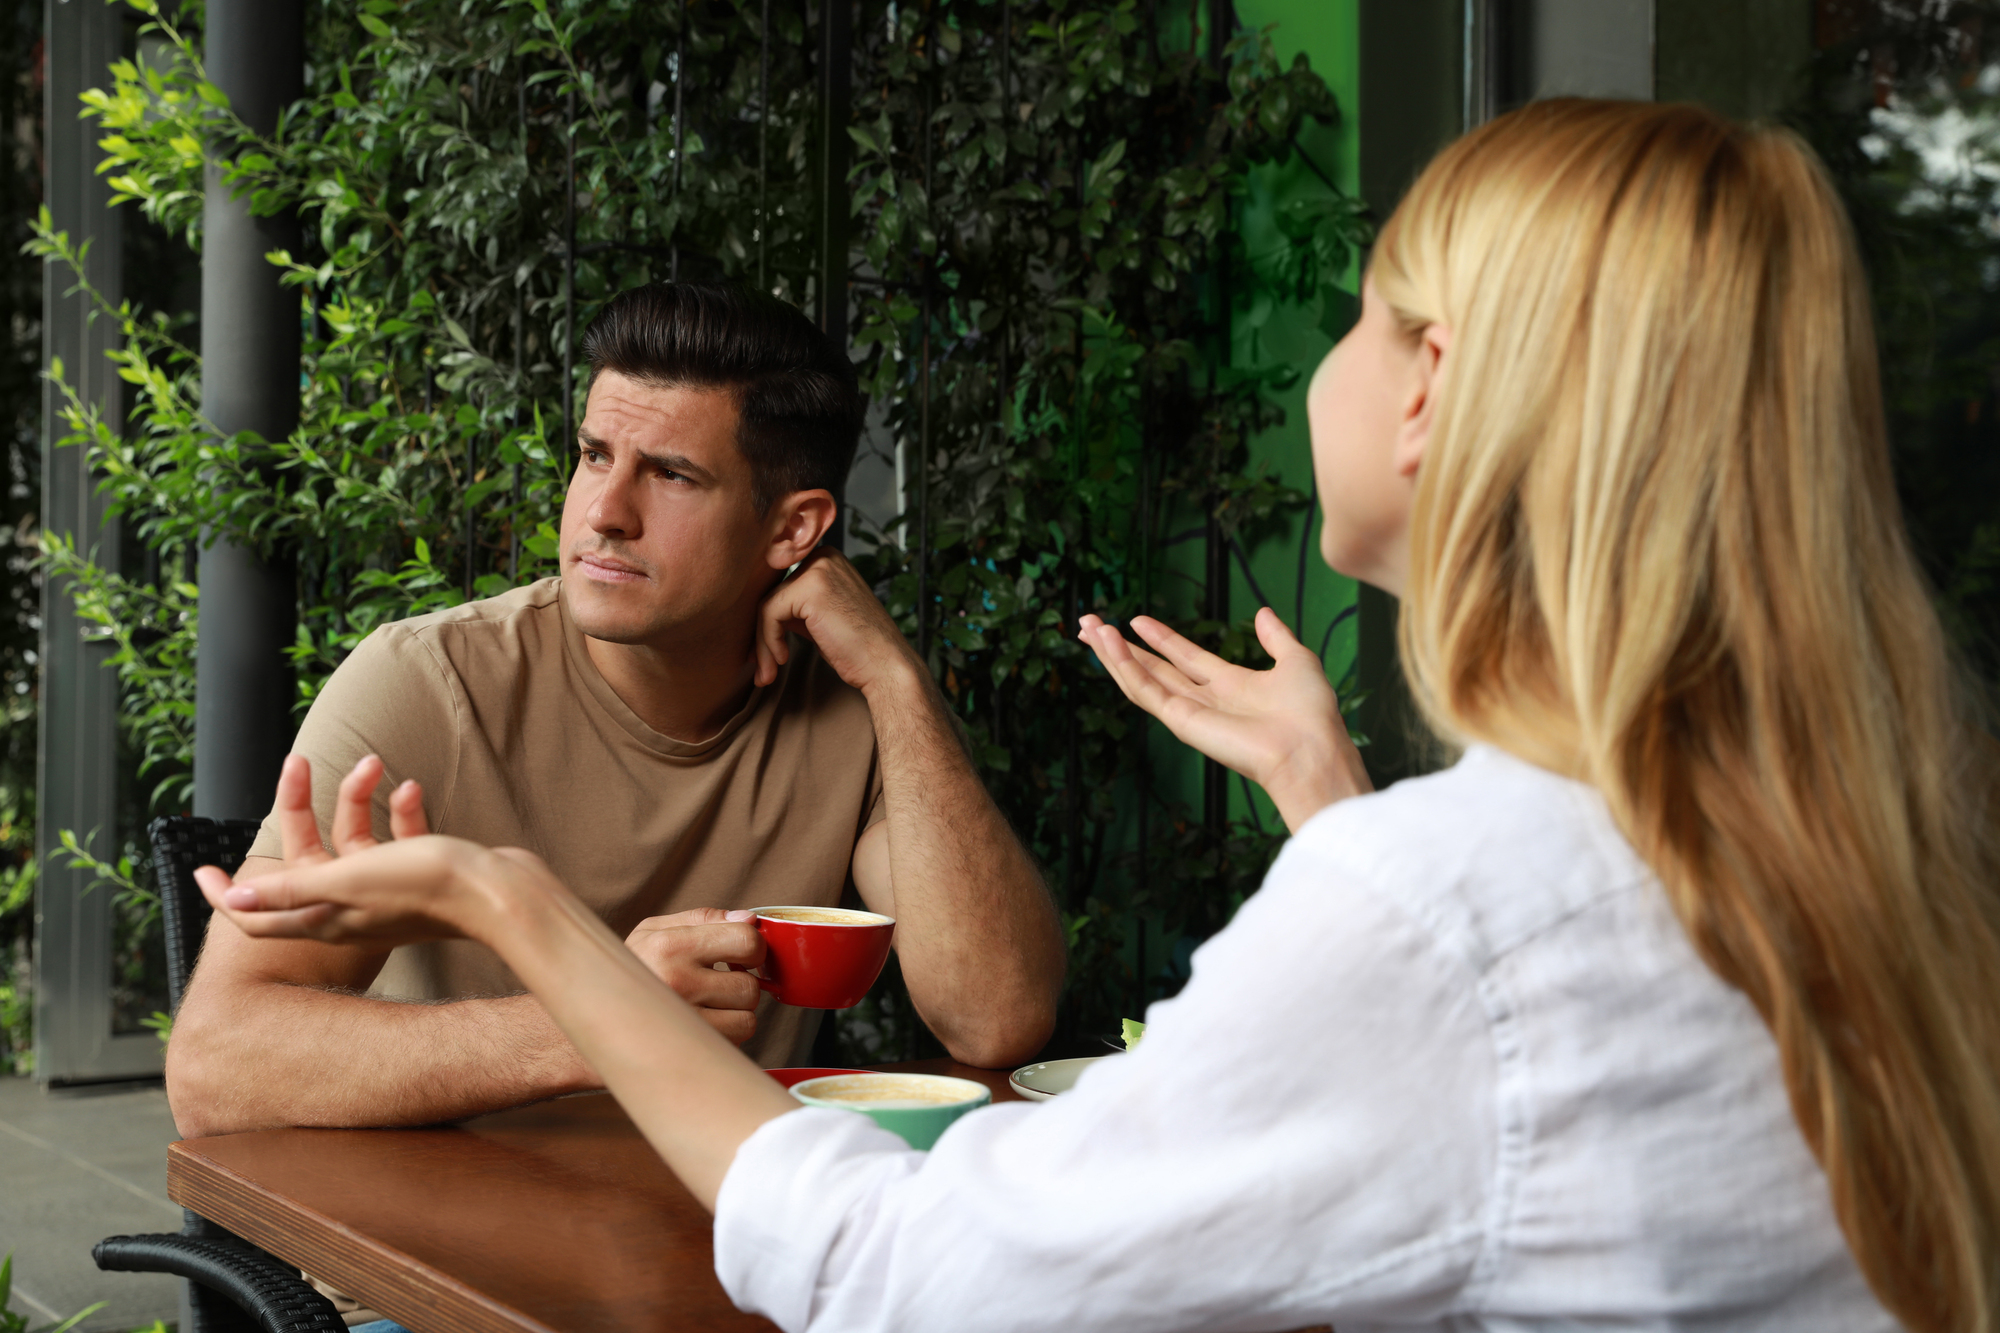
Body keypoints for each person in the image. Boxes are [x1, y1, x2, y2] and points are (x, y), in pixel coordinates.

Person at [192, 100, 2000, 1333]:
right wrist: (1339, 807)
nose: (599, 506)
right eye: (593, 455)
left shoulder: (1456, 897)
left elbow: (931, 1224)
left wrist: (514, 902)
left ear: (1436, 393)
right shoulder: (1867, 841)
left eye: (1370, 313)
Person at [167, 280, 1066, 1139]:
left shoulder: (848, 713)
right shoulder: (427, 684)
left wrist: (897, 680)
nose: (603, 511)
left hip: (729, 1254)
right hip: (439, 1276)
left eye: (671, 475)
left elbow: (995, 1022)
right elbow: (215, 1065)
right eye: (596, 454)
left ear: (794, 529)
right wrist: (595, 1016)